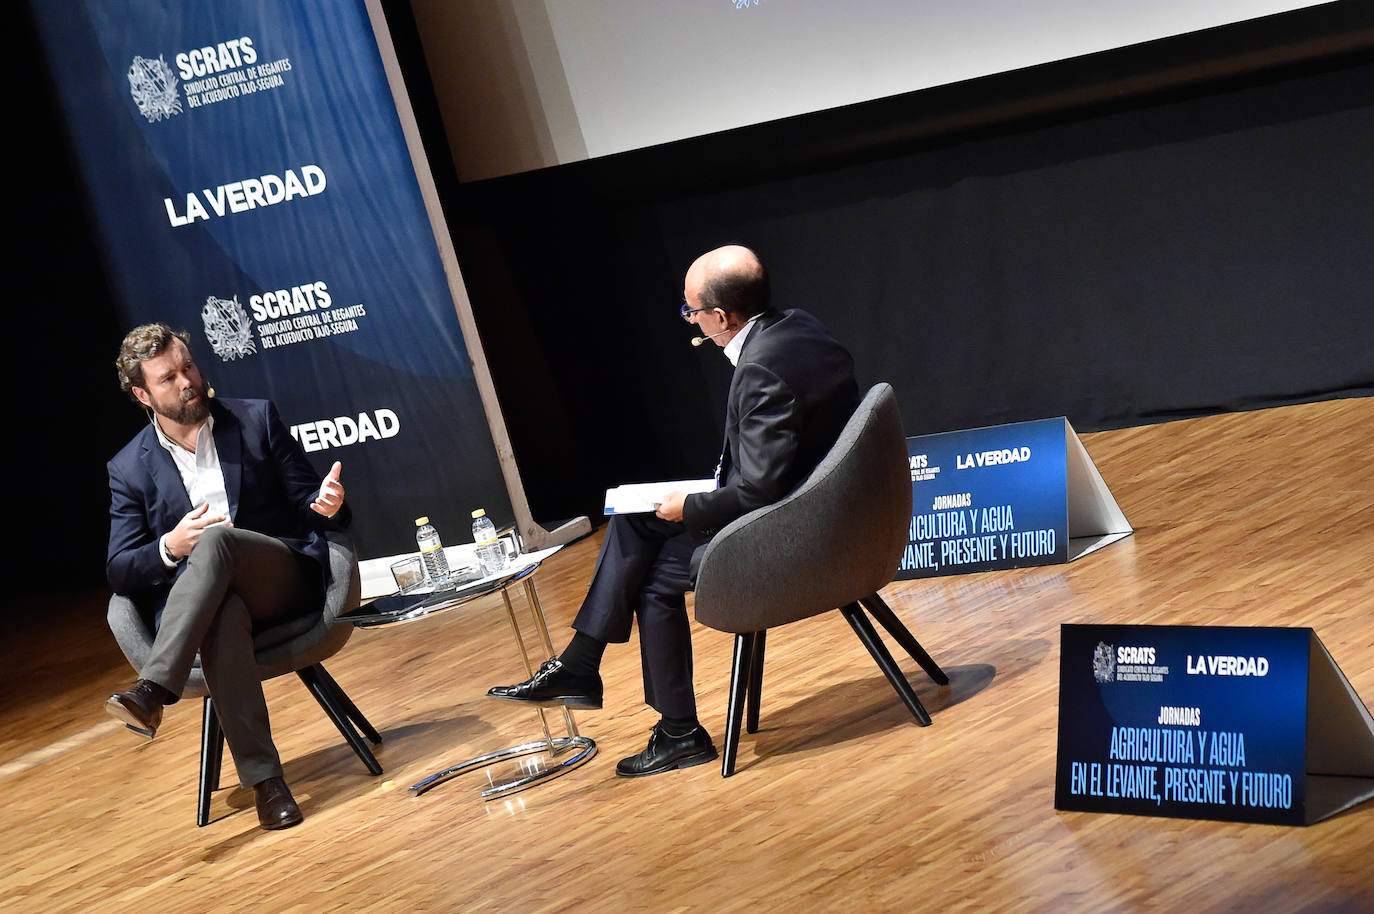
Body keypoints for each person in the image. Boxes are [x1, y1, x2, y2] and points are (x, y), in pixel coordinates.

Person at [488, 245, 860, 776]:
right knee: (634, 520)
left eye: (691, 311)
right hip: (814, 501)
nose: (689, 320)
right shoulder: (799, 328)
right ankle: (583, 667)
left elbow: (757, 491)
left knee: (654, 578)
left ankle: (671, 725)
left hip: (796, 528)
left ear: (722, 317)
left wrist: (691, 505)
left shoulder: (762, 369)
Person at [104, 323, 349, 830]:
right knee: (221, 613)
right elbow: (120, 570)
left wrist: (326, 509)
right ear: (141, 394)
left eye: (188, 366)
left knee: (216, 539)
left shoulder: (254, 418)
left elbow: (309, 506)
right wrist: (171, 546)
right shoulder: (129, 468)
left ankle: (152, 689)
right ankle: (267, 784)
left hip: (279, 579)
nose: (187, 382)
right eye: (167, 378)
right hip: (213, 604)